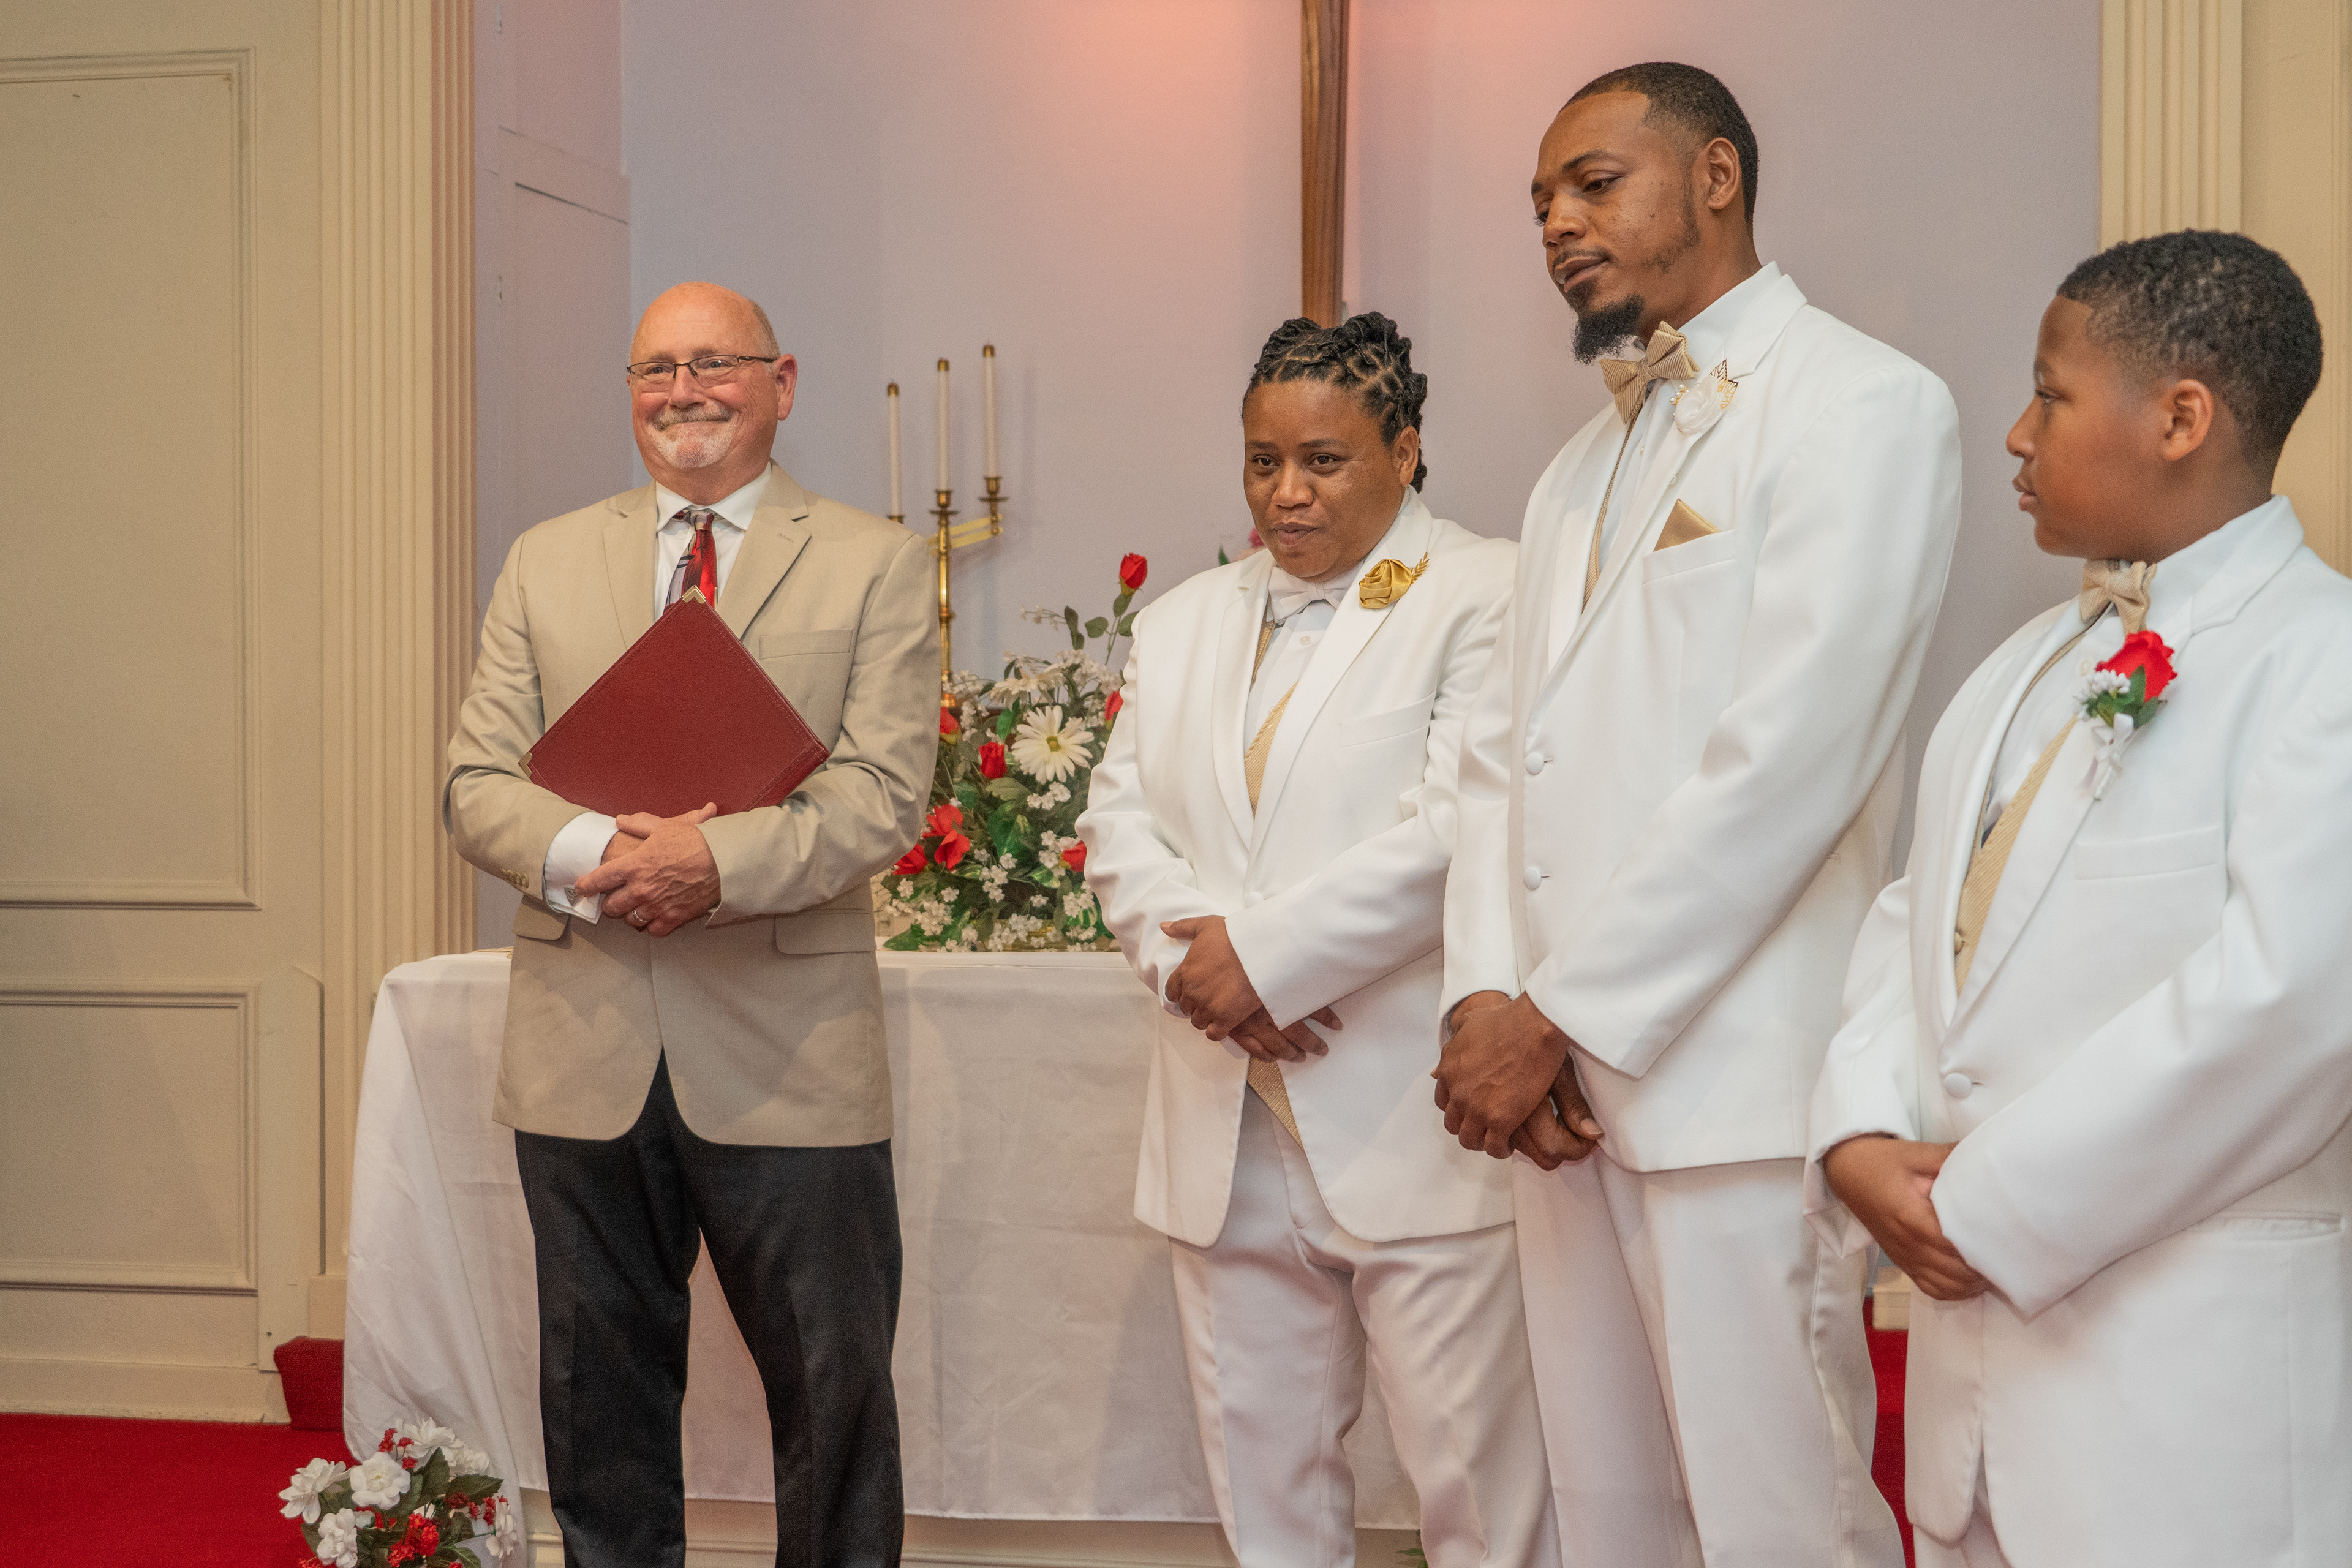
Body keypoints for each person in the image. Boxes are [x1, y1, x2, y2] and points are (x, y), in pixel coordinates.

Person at [1434, 62, 1962, 1566]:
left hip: (1731, 1084)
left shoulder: (1865, 403)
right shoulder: (1572, 470)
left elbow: (1791, 756)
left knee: (1777, 1516)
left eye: (1594, 183)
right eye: (1541, 199)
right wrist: (1487, 993)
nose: (1556, 222)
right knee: (1611, 1517)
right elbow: (1499, 761)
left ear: (1717, 175)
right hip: (1561, 1104)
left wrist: (1566, 1010)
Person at [1809, 232, 2345, 1568]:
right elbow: (1917, 922)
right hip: (1976, 1412)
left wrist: (1985, 1206)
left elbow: (2286, 1009)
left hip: (2177, 1409)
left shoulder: (2323, 661)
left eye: (2048, 393)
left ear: (2181, 416)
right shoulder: (2026, 666)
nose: (2015, 430)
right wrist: (1861, 1131)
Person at [443, 281, 938, 1568]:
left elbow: (883, 793)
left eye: (714, 363)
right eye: (656, 368)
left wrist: (710, 862)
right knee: (596, 1398)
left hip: (791, 1047)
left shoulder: (874, 557)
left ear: (783, 380)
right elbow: (475, 782)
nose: (683, 391)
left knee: (833, 1397)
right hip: (582, 1039)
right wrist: (604, 854)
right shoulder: (546, 557)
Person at [1077, 315, 1557, 1567]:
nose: (1286, 493)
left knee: (1478, 1489)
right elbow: (1121, 819)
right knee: (1265, 1486)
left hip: (1410, 1112)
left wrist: (1271, 961)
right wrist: (1203, 975)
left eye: (1325, 460)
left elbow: (1464, 818)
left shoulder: (1487, 589)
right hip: (1219, 1120)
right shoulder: (1181, 620)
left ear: (1406, 451)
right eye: (1261, 460)